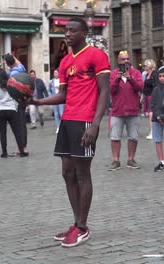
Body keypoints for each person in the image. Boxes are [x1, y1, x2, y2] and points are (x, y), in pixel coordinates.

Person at [32, 17, 110, 247]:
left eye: (72, 30)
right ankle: (76, 222)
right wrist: (37, 102)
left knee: (82, 174)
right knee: (67, 173)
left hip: (86, 120)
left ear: (84, 33)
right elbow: (63, 96)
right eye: (65, 30)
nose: (67, 34)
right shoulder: (65, 62)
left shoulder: (97, 55)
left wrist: (95, 124)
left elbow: (104, 92)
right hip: (67, 121)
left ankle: (83, 227)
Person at [108, 50, 143, 171]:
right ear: (118, 61)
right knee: (115, 137)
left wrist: (131, 79)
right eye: (123, 59)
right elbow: (111, 90)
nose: (126, 61)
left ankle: (131, 159)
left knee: (133, 137)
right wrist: (117, 79)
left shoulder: (136, 73)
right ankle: (116, 160)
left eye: (127, 59)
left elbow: (140, 87)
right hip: (117, 112)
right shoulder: (113, 74)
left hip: (133, 111)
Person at [0, 69, 26, 158]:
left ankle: (4, 152)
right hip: (11, 110)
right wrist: (15, 107)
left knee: (2, 133)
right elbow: (16, 98)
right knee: (17, 132)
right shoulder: (11, 85)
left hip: (0, 111)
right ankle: (21, 151)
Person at [3, 54, 28, 155]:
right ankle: (24, 146)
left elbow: (12, 88)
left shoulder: (12, 73)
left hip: (17, 100)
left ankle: (21, 148)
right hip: (24, 99)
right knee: (23, 124)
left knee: (19, 125)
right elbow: (18, 62)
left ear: (8, 64)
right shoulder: (20, 68)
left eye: (5, 62)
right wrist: (11, 57)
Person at [142, 59, 157, 140]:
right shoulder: (146, 74)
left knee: (151, 114)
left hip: (153, 96)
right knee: (150, 114)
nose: (144, 67)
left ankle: (153, 132)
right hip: (147, 96)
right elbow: (145, 87)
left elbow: (156, 86)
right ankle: (153, 131)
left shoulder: (154, 75)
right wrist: (143, 96)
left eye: (145, 65)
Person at [49, 69, 64, 133]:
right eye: (54, 73)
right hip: (54, 99)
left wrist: (59, 88)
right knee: (56, 113)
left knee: (61, 113)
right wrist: (51, 96)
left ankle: (62, 127)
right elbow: (49, 90)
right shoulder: (51, 81)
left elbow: (65, 89)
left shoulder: (61, 80)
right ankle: (58, 127)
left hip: (60, 99)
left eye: (56, 73)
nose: (55, 74)